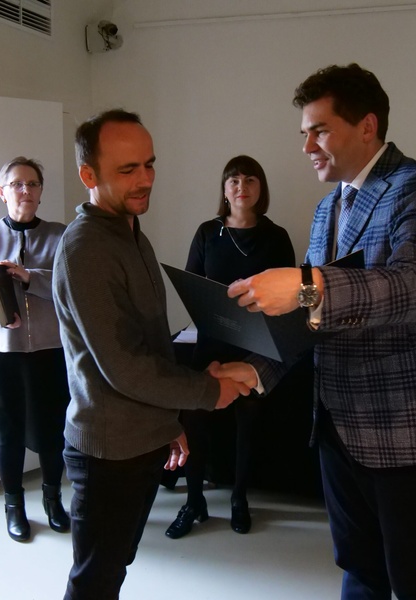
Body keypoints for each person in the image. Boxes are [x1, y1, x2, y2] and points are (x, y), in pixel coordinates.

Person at [220, 64, 416, 599]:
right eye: (304, 133)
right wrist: (256, 370)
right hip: (335, 423)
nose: (307, 146)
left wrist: (307, 284)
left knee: (414, 576)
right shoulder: (327, 207)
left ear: (367, 126)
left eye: (320, 130)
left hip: (402, 425)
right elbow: (309, 321)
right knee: (358, 568)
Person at [52, 109, 257, 600]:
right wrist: (207, 392)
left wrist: (168, 423)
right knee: (94, 582)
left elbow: (151, 344)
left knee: (115, 568)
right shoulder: (86, 248)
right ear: (88, 175)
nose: (145, 179)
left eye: (149, 164)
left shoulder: (130, 233)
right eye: (128, 169)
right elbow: (125, 367)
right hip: (107, 452)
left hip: (140, 438)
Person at [165, 155, 295, 539]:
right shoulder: (208, 232)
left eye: (250, 179)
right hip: (212, 343)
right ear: (224, 190)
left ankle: (239, 498)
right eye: (234, 180)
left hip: (257, 350)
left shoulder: (277, 236)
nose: (242, 187)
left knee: (248, 425)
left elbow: (288, 298)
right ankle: (194, 501)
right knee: (196, 419)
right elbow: (192, 285)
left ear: (260, 188)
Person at [0, 156, 71, 542]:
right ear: (2, 192)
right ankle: (14, 507)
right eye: (17, 184)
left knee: (53, 430)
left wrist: (29, 277)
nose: (25, 190)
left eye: (33, 184)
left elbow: (69, 286)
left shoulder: (60, 235)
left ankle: (53, 500)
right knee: (6, 430)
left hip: (51, 349)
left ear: (41, 191)